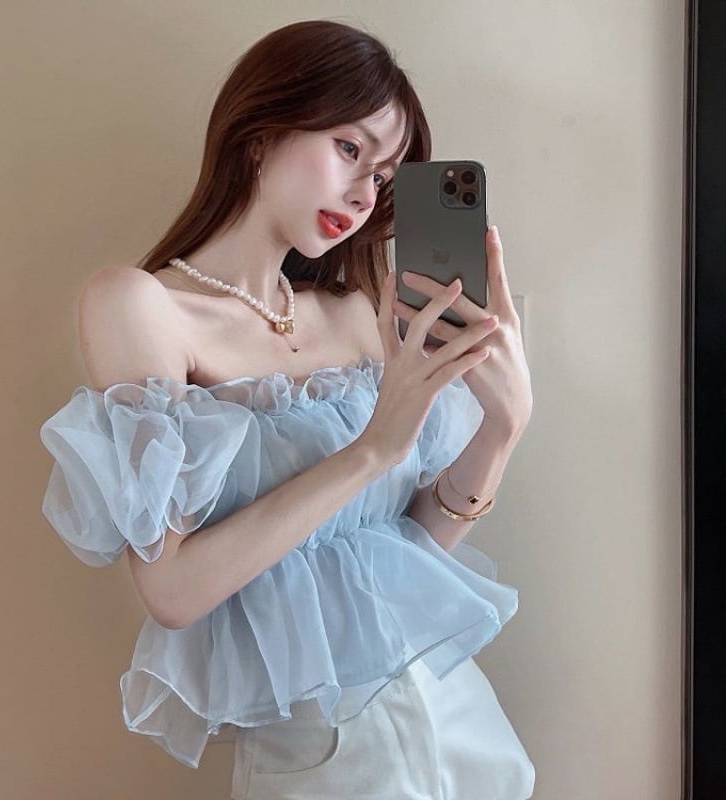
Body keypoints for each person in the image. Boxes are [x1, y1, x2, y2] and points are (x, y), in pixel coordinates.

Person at [39, 18, 535, 800]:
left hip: (464, 740)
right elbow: (171, 592)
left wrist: (503, 430)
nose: (364, 194)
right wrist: (372, 449)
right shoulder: (140, 308)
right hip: (322, 766)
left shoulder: (355, 313)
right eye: (349, 149)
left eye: (383, 175)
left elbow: (409, 553)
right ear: (261, 131)